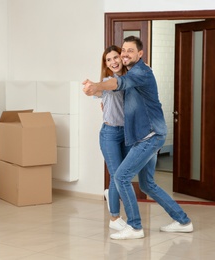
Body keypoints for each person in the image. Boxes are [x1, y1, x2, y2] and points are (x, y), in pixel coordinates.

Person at [83, 36, 193, 240]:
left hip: (149, 137)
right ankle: (183, 220)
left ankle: (134, 227)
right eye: (123, 50)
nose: (124, 54)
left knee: (121, 177)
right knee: (147, 184)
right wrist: (98, 91)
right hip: (144, 137)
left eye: (129, 51)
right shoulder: (138, 71)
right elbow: (114, 87)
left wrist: (97, 85)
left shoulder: (140, 72)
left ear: (140, 54)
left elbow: (119, 83)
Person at [96, 45, 130, 231]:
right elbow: (101, 90)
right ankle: (115, 218)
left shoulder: (130, 79)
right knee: (117, 174)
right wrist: (93, 88)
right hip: (109, 134)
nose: (113, 62)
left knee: (122, 175)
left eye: (115, 57)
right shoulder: (108, 81)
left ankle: (111, 195)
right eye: (108, 60)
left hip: (127, 133)